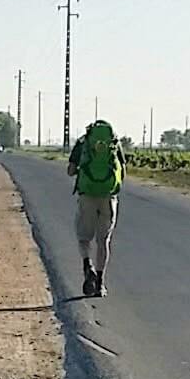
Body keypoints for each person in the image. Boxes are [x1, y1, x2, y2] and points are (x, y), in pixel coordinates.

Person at [67, 119, 125, 297]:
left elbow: (70, 170)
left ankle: (87, 265)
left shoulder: (83, 143)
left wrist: (83, 171)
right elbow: (122, 171)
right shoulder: (114, 143)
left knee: (83, 238)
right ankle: (100, 283)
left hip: (87, 197)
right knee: (103, 241)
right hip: (108, 197)